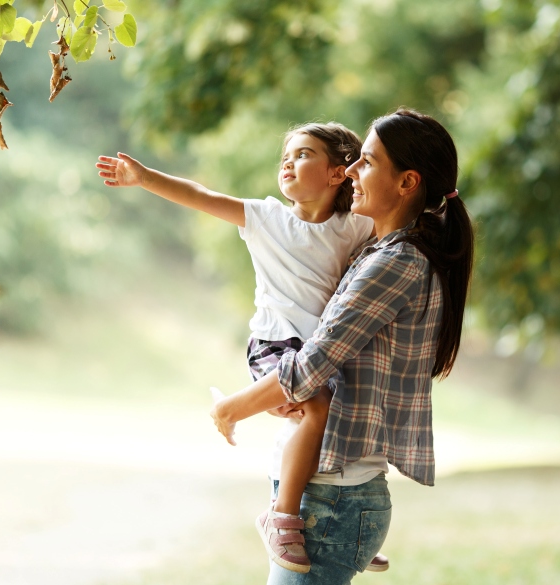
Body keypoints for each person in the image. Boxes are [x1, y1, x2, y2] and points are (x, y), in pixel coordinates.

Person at [95, 123, 391, 574]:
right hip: (274, 343)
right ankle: (283, 517)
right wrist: (144, 178)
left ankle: (343, 525)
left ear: (337, 174)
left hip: (318, 350)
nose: (288, 163)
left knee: (340, 412)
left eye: (304, 154)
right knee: (317, 408)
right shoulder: (266, 218)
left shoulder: (354, 227)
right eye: (286, 157)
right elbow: (199, 195)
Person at [209, 108, 475, 585]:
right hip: (332, 493)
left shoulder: (395, 263)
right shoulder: (376, 250)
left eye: (367, 162)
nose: (351, 170)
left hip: (333, 499)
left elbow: (311, 366)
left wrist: (233, 407)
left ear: (406, 182)